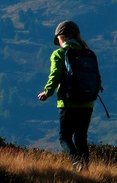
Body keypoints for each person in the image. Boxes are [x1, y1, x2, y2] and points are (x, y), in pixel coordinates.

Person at [37, 19, 97, 170]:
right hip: (88, 102)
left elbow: (55, 76)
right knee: (81, 138)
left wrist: (47, 93)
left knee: (64, 137)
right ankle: (86, 170)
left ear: (61, 37)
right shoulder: (88, 53)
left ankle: (77, 165)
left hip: (68, 103)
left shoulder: (59, 54)